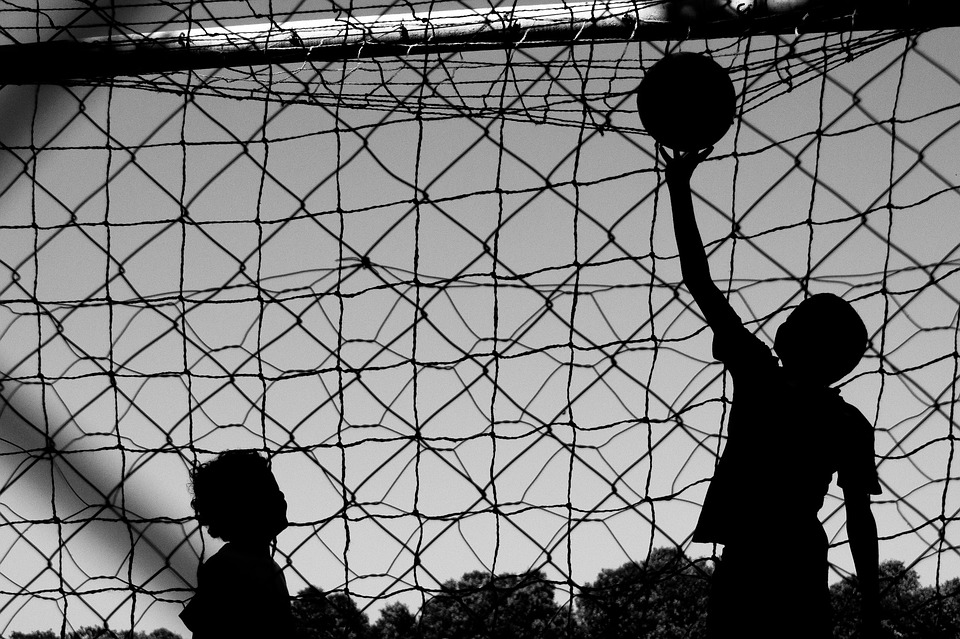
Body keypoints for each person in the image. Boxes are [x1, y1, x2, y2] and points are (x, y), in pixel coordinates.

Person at [662, 148, 882, 639]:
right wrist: (871, 606)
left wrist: (678, 187)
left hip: (747, 558)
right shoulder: (848, 422)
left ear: (785, 338)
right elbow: (859, 520)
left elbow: (699, 280)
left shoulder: (759, 377)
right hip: (803, 559)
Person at [180, 449, 295, 638]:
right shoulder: (225, 567)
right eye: (268, 491)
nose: (281, 496)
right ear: (240, 507)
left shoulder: (268, 566)